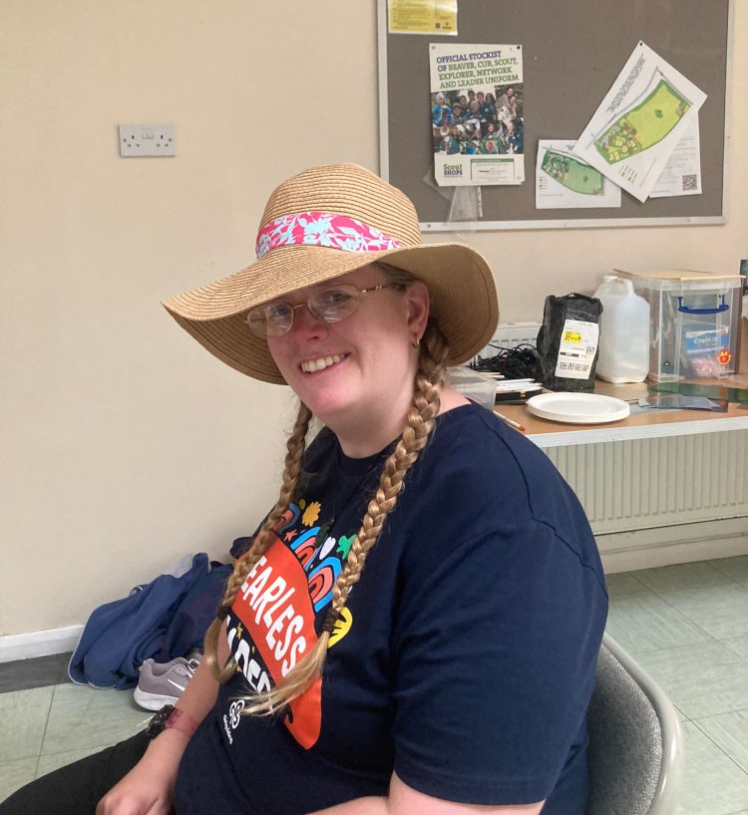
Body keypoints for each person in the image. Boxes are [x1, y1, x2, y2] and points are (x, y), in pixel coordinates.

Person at [2, 163, 607, 815]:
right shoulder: (335, 452)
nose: (302, 329)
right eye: (281, 309)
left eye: (335, 297)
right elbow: (239, 624)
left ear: (412, 310)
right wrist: (168, 746)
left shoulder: (503, 528)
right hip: (205, 765)